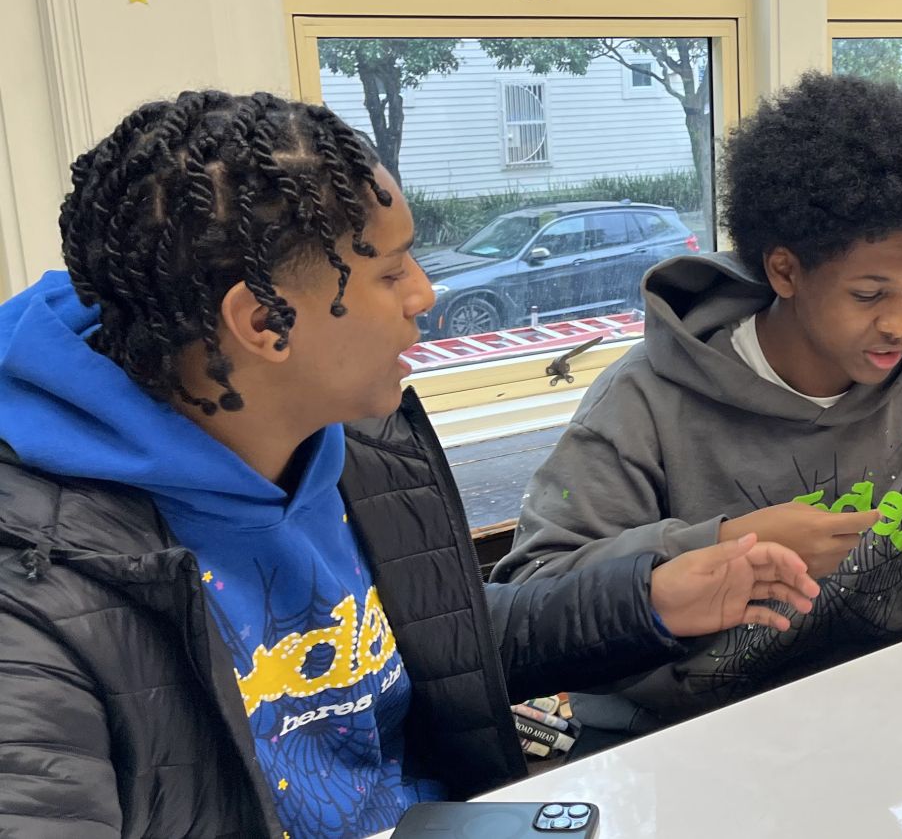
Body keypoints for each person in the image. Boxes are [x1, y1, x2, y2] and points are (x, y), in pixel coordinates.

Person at [0, 90, 820, 839]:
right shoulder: (36, 587)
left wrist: (647, 599)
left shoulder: (359, 436)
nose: (424, 293)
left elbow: (436, 637)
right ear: (261, 323)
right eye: (390, 271)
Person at [494, 73, 902, 735]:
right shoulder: (643, 400)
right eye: (869, 295)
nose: (900, 325)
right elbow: (536, 600)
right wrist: (723, 544)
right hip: (684, 738)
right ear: (786, 271)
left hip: (885, 721)